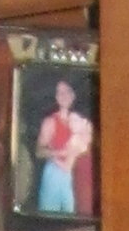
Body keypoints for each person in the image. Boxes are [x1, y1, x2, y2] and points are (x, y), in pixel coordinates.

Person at [32, 79, 94, 219]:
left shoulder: (80, 121)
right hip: (55, 173)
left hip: (74, 176)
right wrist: (59, 153)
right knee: (50, 219)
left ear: (73, 95)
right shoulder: (50, 121)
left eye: (67, 91)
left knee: (70, 218)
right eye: (60, 92)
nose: (64, 95)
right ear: (56, 97)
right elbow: (39, 151)